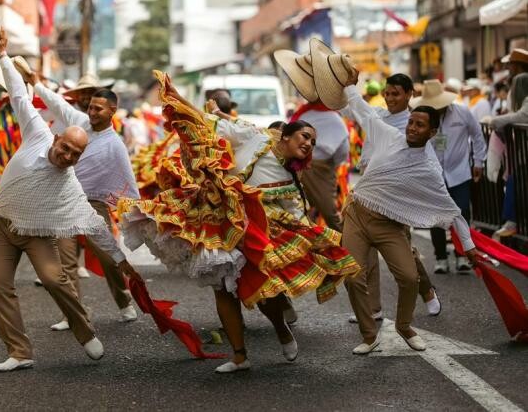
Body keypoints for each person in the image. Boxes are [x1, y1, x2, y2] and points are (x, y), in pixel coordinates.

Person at [119, 72, 359, 374]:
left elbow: (296, 214)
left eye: (313, 140)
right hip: (221, 218)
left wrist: (305, 240)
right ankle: (239, 355)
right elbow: (215, 125)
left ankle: (281, 328)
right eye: (305, 137)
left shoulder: (292, 178)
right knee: (221, 287)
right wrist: (180, 101)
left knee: (258, 289)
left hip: (259, 233)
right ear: (285, 135)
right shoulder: (256, 137)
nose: (310, 143)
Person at [0, 28, 142, 373]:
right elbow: (20, 95)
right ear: (56, 137)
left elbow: (95, 226)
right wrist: (3, 56)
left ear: (79, 159)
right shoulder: (37, 133)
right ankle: (19, 352)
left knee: (54, 279)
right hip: (2, 227)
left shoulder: (71, 186)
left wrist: (120, 258)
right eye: (65, 146)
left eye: (75, 154)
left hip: (39, 233)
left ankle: (85, 330)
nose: (66, 155)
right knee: (1, 287)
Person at [340, 68, 477, 355]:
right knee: (353, 276)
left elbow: (451, 210)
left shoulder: (430, 168)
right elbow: (364, 111)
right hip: (357, 214)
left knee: (409, 277)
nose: (412, 128)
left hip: (390, 225)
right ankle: (368, 336)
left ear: (433, 132)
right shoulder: (388, 133)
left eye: (419, 125)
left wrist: (469, 246)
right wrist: (352, 86)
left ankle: (404, 326)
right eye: (411, 123)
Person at [29, 72, 140, 330]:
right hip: (64, 202)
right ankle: (74, 314)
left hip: (93, 206)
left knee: (109, 257)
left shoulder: (116, 145)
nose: (91, 111)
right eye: (90, 107)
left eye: (98, 108)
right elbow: (58, 104)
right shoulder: (80, 122)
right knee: (65, 262)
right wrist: (36, 84)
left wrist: (139, 218)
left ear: (113, 110)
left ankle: (125, 303)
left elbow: (129, 185)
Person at [343, 74, 441, 322]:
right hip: (366, 193)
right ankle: (373, 307)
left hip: (394, 198)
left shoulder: (415, 125)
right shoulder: (378, 115)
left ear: (409, 94)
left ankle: (427, 290)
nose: (389, 98)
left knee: (404, 250)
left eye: (396, 93)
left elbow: (431, 163)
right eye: (387, 93)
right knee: (365, 254)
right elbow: (348, 107)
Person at [411, 80, 485, 273]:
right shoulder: (422, 117)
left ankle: (461, 256)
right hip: (432, 175)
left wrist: (478, 161)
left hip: (459, 173)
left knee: (461, 214)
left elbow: (477, 135)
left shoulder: (462, 113)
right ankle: (441, 258)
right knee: (435, 218)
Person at [489, 48, 528, 240]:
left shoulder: (522, 84)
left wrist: (497, 121)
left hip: (523, 150)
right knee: (514, 179)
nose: (508, 68)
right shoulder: (515, 86)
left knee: (515, 180)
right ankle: (513, 222)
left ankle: (513, 222)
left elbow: (523, 115)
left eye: (511, 64)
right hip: (521, 149)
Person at [293, 101, 349, 231]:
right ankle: (345, 245)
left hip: (299, 165)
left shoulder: (304, 114)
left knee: (298, 210)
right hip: (321, 168)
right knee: (330, 214)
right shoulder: (335, 119)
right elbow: (342, 152)